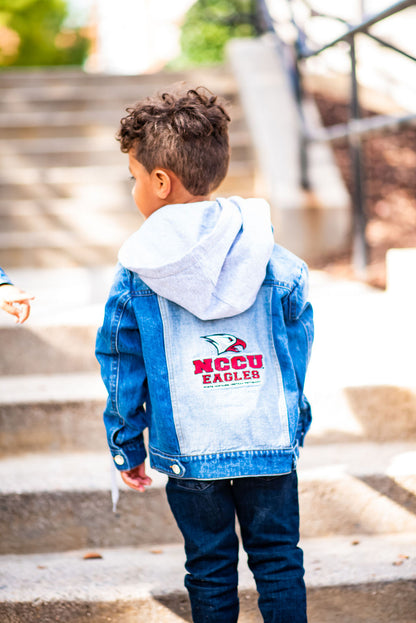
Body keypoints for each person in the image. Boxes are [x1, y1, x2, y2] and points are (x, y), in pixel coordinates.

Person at [95, 86, 314, 623]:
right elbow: (296, 342)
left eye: (134, 178)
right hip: (267, 440)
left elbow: (121, 360)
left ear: (161, 182)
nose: (133, 190)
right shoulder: (273, 258)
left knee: (209, 567)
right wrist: (294, 416)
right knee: (280, 561)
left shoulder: (139, 272)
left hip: (191, 452)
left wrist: (127, 440)